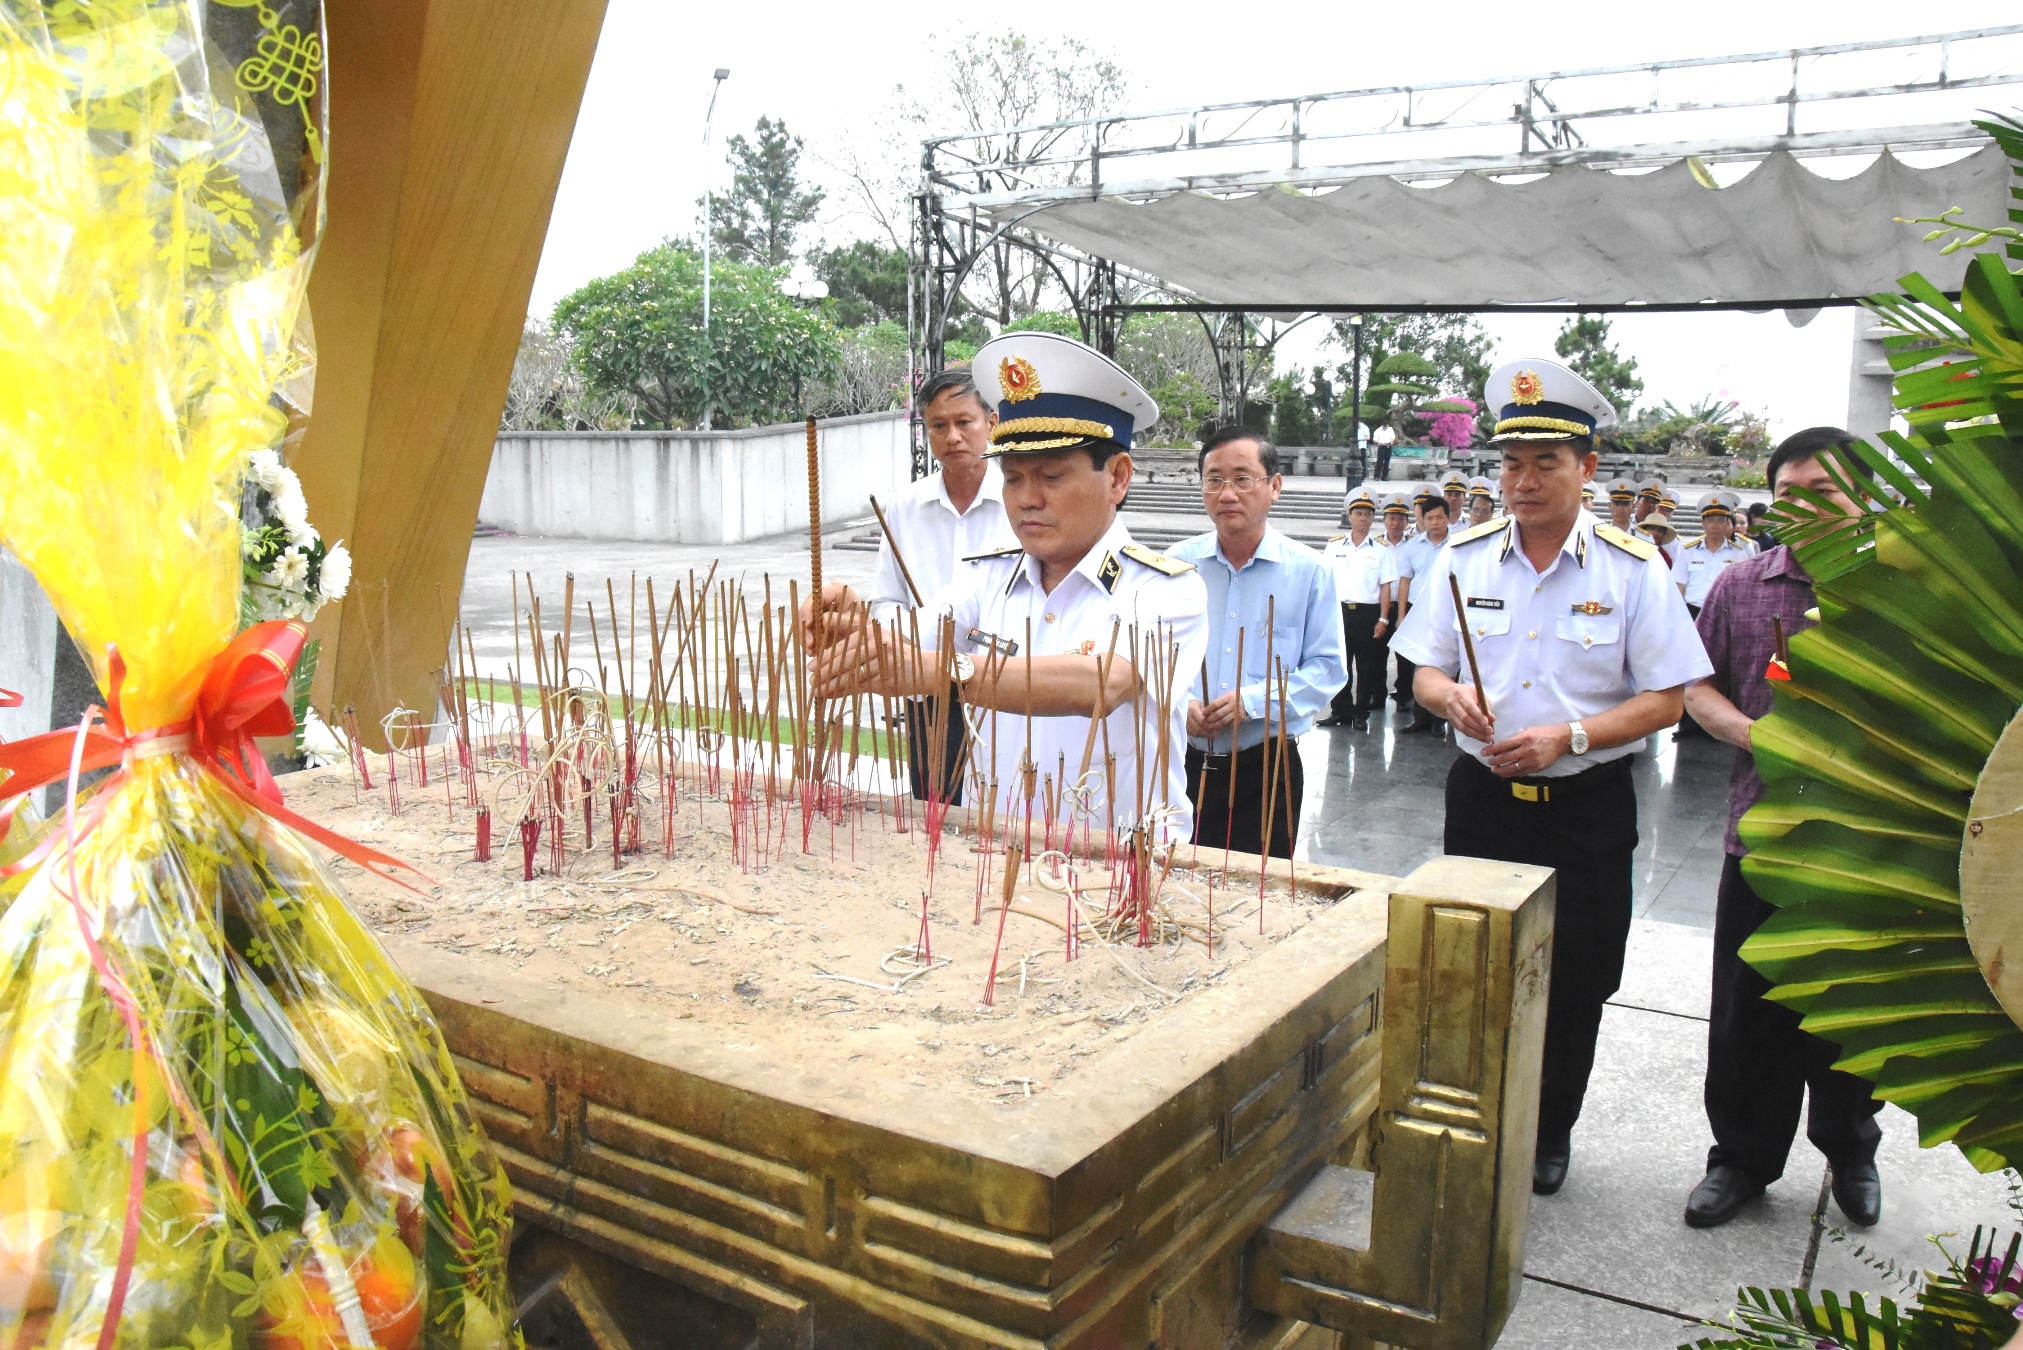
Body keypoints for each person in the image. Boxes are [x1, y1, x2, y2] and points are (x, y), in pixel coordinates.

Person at [1392, 356, 1711, 1197]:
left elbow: (1668, 700)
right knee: (1469, 964)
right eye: (1509, 462)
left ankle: (1547, 1129)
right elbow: (1422, 670)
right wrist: (1448, 695)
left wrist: (1568, 735)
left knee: (1575, 975)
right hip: (1485, 803)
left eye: (1544, 462)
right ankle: (1471, 1113)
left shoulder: (1631, 569)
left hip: (1585, 808)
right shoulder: (1460, 559)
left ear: (1587, 468)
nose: (1522, 480)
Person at [805, 331, 1208, 841]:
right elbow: (914, 638)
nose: (1027, 499)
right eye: (1013, 478)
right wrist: (855, 626)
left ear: (1118, 477)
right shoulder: (985, 576)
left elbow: (1102, 683)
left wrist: (947, 670)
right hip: (995, 856)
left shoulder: (1165, 589)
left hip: (1117, 867)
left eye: (1052, 477)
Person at [1681, 426, 1883, 1230]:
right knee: (1747, 1012)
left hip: (1866, 852)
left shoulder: (1897, 585)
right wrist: (1751, 733)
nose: (1803, 508)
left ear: (1863, 499)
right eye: (1789, 494)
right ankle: (1741, 1159)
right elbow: (1693, 686)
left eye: (1823, 493)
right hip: (1760, 837)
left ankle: (1851, 1151)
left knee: (1848, 1014)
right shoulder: (1740, 584)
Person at [1174, 430, 1346, 852]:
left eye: (1242, 478)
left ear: (1275, 486)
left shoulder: (1309, 571)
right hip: (1181, 762)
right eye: (1214, 479)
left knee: (1257, 896)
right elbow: (1150, 659)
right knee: (1173, 884)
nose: (1227, 493)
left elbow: (1327, 668)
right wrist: (1181, 702)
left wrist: (1253, 700)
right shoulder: (1176, 566)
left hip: (1267, 767)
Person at [867, 368, 1020, 802]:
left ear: (991, 424)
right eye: (938, 425)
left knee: (1004, 813)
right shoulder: (904, 507)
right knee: (934, 816)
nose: (952, 436)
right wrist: (914, 640)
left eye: (964, 422)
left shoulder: (1020, 502)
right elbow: (885, 599)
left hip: (1001, 692)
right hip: (927, 697)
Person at [1321, 487, 1387, 730]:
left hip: (1368, 614)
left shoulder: (1381, 549)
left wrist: (1384, 619)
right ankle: (1340, 710)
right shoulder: (1335, 546)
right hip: (1340, 612)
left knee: (1366, 666)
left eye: (1368, 514)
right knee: (1340, 663)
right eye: (1358, 513)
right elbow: (1323, 581)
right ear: (1350, 516)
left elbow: (1386, 587)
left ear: (1372, 519)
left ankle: (1361, 713)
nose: (1363, 518)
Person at [1386, 493, 1451, 734]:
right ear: (1423, 519)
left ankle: (1438, 719)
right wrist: (1402, 614)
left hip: (1445, 608)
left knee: (1441, 663)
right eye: (1430, 517)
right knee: (1414, 662)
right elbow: (1405, 581)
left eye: (1440, 517)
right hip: (1416, 607)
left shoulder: (1459, 545)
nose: (1435, 522)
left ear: (1449, 518)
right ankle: (1419, 716)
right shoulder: (1413, 546)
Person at [1673, 491, 1752, 616]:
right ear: (1703, 524)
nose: (1715, 525)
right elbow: (1680, 585)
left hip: (1725, 612)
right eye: (1711, 521)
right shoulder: (1688, 551)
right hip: (1692, 610)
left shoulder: (1738, 553)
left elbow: (1743, 587)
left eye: (1721, 521)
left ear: (1728, 524)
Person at [1379, 494, 1415, 709]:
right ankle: (1377, 693)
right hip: (1380, 606)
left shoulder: (1412, 545)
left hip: (1404, 606)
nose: (1396, 522)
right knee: (1377, 653)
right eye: (1392, 517)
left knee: (1404, 654)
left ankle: (1404, 693)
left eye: (1401, 518)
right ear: (1385, 519)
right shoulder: (1376, 544)